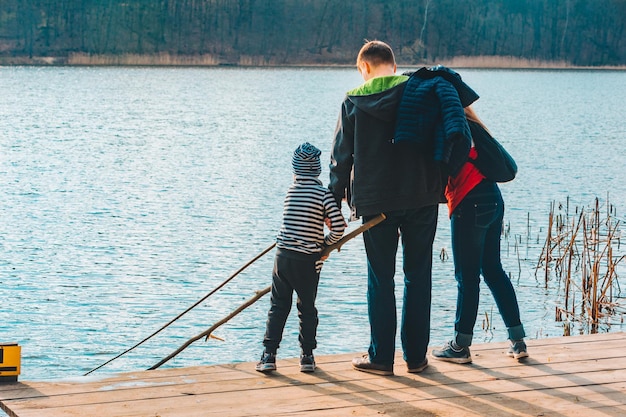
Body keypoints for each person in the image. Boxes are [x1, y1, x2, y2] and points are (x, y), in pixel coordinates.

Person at [329, 40, 445, 375]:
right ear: (393, 66)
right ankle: (416, 357)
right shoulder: (422, 92)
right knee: (418, 275)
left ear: (364, 69)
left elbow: (341, 159)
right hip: (422, 195)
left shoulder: (353, 101)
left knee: (381, 278)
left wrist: (331, 205)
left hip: (377, 202)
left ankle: (381, 358)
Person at [432, 106, 528, 364]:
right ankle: (518, 341)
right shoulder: (476, 127)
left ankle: (460, 345)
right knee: (493, 270)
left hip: (469, 203)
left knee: (467, 277)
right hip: (493, 199)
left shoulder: (451, 130)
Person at [256, 142, 346, 373]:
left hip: (282, 257)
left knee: (278, 306)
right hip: (307, 260)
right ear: (317, 169)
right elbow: (339, 227)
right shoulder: (323, 195)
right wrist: (324, 245)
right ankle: (307, 356)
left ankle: (269, 355)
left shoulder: (290, 191)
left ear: (295, 169)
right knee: (306, 308)